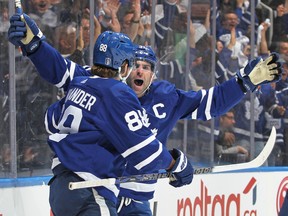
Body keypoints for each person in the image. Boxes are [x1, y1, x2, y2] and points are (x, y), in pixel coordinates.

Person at [8, 13, 283, 216]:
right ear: (124, 67)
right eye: (135, 65)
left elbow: (212, 102)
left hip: (132, 199)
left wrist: (244, 83)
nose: (139, 70)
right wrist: (174, 163)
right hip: (99, 190)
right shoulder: (105, 86)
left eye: (146, 66)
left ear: (153, 73)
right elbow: (57, 66)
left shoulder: (167, 96)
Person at [8, 14, 194, 216]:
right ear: (123, 66)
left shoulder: (79, 84)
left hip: (60, 188)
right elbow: (143, 150)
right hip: (90, 190)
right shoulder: (117, 93)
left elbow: (50, 119)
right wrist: (175, 164)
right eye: (131, 64)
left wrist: (35, 45)